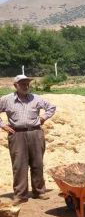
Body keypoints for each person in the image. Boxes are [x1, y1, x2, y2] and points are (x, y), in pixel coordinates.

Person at [0, 75, 56, 205]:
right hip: (17, 135)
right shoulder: (6, 100)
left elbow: (51, 107)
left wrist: (43, 118)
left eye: (27, 83)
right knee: (19, 165)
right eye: (22, 84)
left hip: (35, 133)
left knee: (37, 163)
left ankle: (39, 191)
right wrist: (3, 126)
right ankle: (20, 195)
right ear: (15, 86)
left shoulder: (36, 98)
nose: (26, 86)